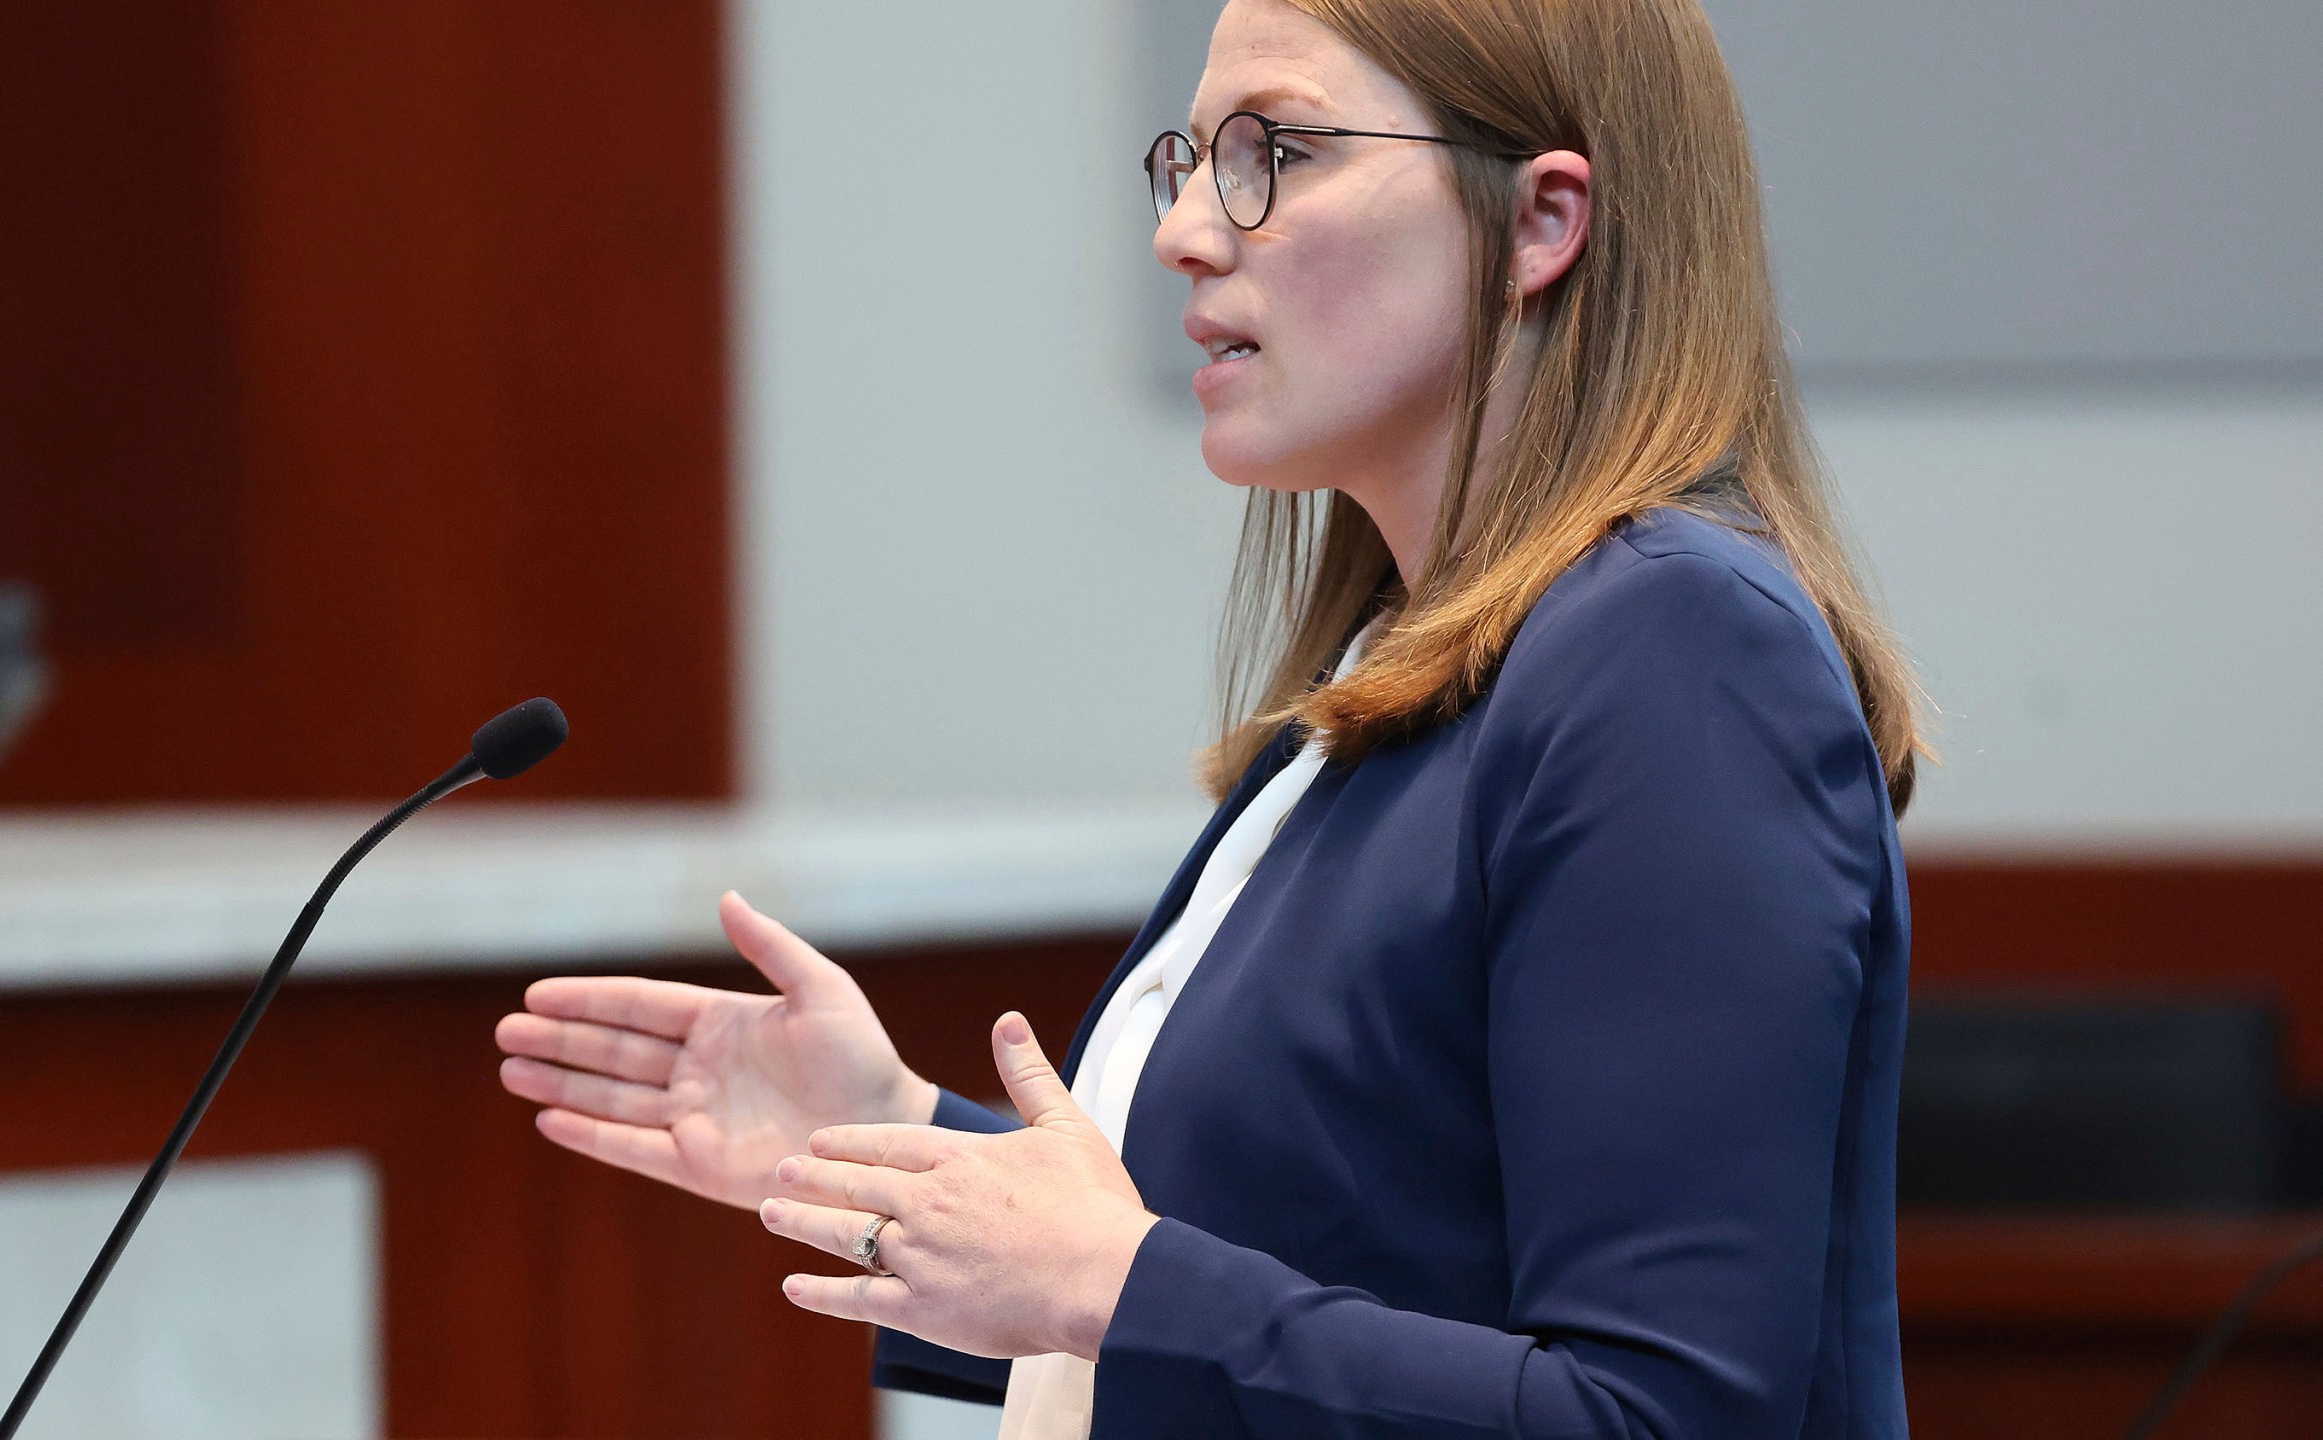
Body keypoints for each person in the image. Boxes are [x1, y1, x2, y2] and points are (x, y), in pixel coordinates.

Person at [493, 0, 1924, 1434]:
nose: (1185, 228)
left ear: (1543, 223)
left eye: (1276, 152)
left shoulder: (1675, 654)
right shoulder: (1405, 672)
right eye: (1188, 158)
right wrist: (900, 1144)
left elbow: (1654, 1417)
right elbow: (1340, 1271)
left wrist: (1114, 1288)